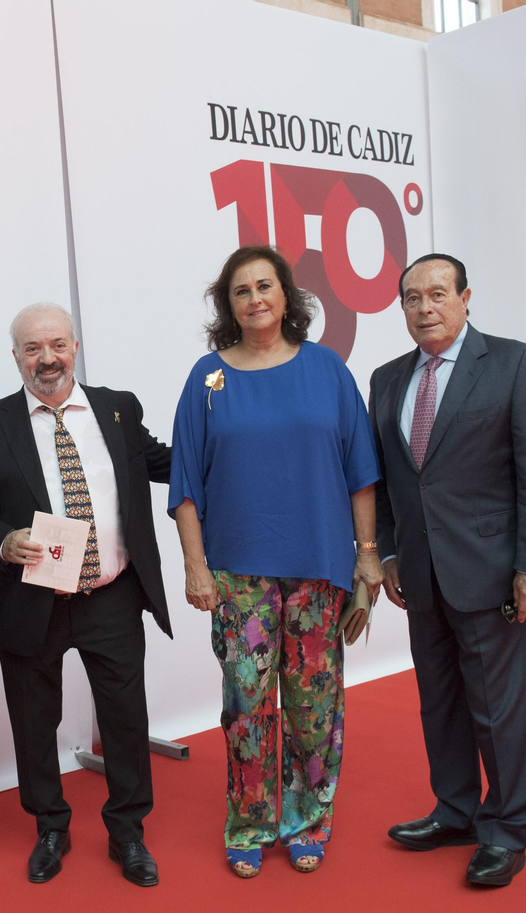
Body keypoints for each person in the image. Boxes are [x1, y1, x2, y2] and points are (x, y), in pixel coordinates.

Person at [170, 245, 382, 879]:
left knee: (314, 704)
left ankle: (308, 818)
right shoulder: (207, 379)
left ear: (287, 296)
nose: (256, 298)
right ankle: (251, 820)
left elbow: (361, 474)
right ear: (227, 306)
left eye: (266, 286)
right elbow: (185, 485)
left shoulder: (329, 372)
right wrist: (195, 567)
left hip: (319, 566)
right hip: (238, 572)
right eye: (241, 290)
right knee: (246, 704)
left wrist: (367, 560)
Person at [369, 253, 526, 888]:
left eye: (436, 294)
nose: (423, 307)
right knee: (441, 703)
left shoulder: (512, 363)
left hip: (491, 571)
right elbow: (393, 479)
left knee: (497, 709)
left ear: (465, 297)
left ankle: (506, 831)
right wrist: (390, 552)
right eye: (410, 298)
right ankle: (454, 810)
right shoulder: (387, 378)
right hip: (421, 574)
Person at [0, 302, 172, 888]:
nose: (46, 358)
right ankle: (50, 825)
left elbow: (166, 464)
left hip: (111, 592)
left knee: (126, 718)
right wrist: (5, 541)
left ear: (74, 347)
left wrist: (229, 448)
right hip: (33, 597)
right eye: (32, 348)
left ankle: (128, 832)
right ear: (15, 357)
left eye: (56, 344)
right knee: (34, 720)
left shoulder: (118, 408)